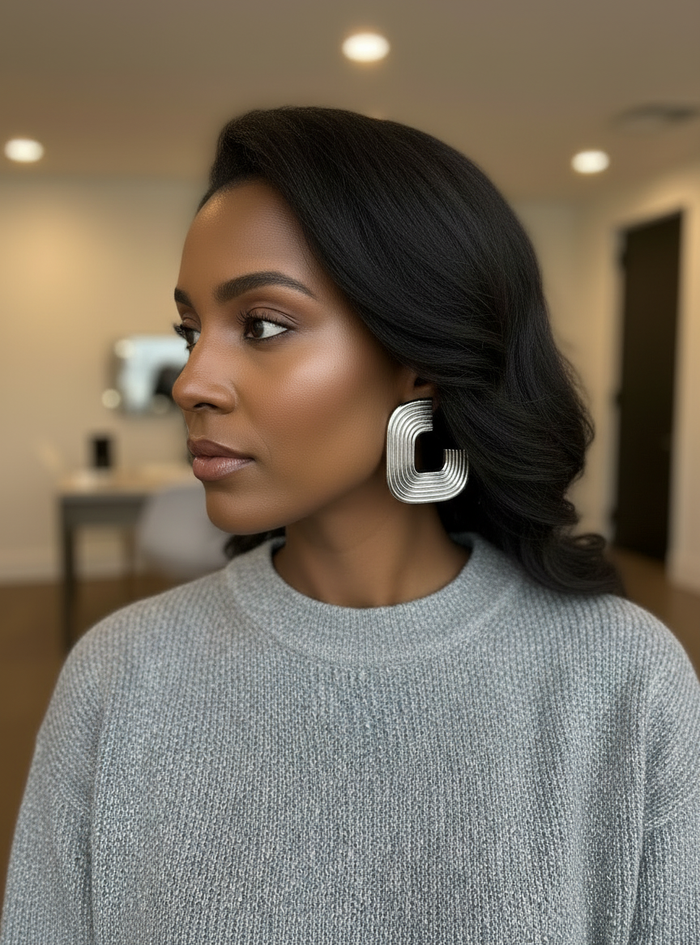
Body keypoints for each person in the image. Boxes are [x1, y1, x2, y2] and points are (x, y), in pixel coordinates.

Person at [2, 107, 699, 944]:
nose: (191, 381)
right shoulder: (117, 678)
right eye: (192, 332)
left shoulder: (623, 680)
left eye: (261, 324)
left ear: (423, 363)